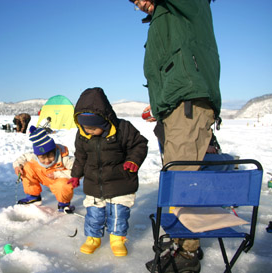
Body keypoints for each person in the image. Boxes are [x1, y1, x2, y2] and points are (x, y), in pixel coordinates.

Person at [130, 1, 222, 271]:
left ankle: (187, 254)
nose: (140, 5)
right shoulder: (163, 14)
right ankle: (182, 240)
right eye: (135, 4)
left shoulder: (184, 4)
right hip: (175, 105)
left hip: (187, 101)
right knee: (177, 175)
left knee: (184, 178)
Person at [68, 87, 148, 257]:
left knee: (119, 213)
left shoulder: (123, 128)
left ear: (104, 122)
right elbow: (80, 156)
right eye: (85, 127)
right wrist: (76, 175)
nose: (88, 131)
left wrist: (133, 160)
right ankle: (93, 238)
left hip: (121, 182)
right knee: (94, 214)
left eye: (92, 128)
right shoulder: (82, 135)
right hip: (94, 183)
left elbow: (139, 144)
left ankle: (117, 239)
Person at [13, 126, 75, 211]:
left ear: (55, 151)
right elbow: (22, 158)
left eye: (50, 156)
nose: (47, 161)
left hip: (59, 179)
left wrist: (57, 174)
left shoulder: (65, 159)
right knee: (27, 166)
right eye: (43, 158)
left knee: (63, 185)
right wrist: (18, 166)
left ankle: (64, 204)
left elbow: (78, 171)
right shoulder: (34, 156)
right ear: (37, 155)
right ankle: (33, 197)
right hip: (44, 176)